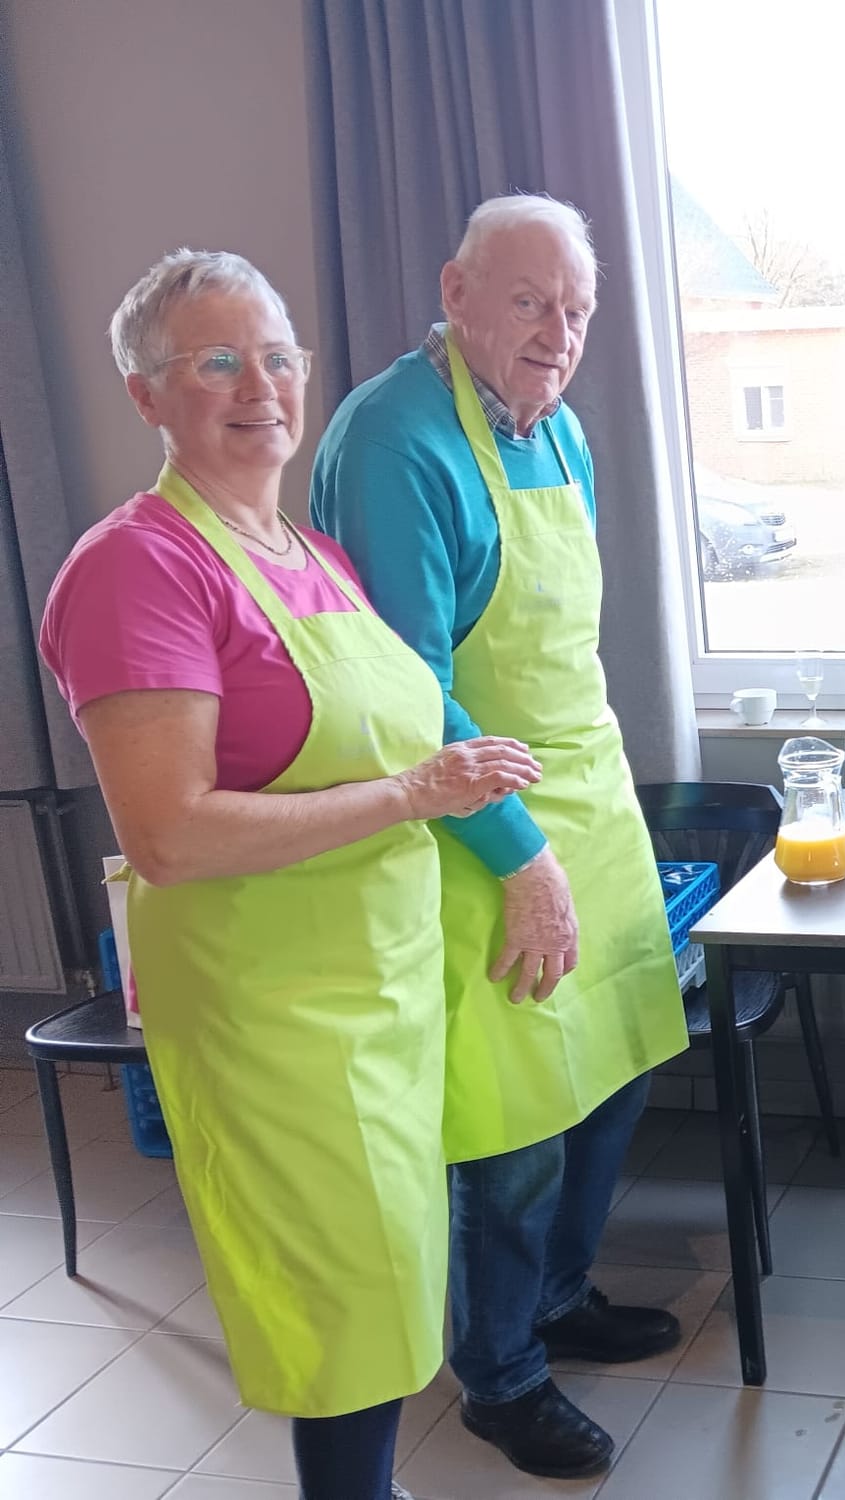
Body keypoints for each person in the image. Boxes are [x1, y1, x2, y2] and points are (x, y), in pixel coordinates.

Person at [38, 250, 541, 1500]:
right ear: (147, 395)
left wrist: (460, 799)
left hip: (378, 991)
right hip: (269, 1015)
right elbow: (171, 835)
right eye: (217, 361)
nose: (259, 386)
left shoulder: (313, 554)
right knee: (337, 1305)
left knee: (382, 1282)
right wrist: (418, 794)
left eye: (276, 356)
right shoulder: (138, 566)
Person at [311, 194, 691, 1479]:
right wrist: (522, 856)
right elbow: (407, 687)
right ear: (455, 291)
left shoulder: (558, 429)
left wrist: (579, 829)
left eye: (574, 311)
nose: (554, 333)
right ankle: (501, 1373)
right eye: (528, 301)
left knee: (615, 1065)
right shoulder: (393, 439)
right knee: (514, 1120)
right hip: (477, 827)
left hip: (591, 793)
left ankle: (557, 1298)